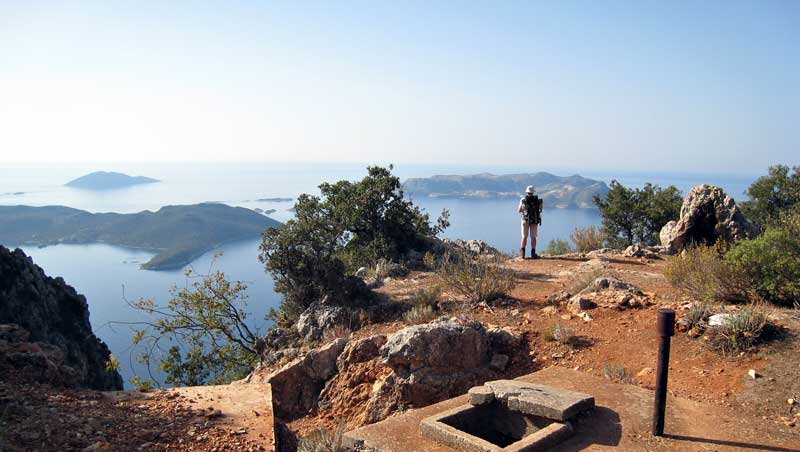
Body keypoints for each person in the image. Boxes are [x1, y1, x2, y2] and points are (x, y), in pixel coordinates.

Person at [518, 185, 543, 259]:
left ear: (527, 192)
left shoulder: (523, 199)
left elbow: (519, 210)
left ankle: (522, 254)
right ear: (533, 192)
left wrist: (525, 210)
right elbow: (540, 209)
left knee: (524, 237)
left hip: (525, 220)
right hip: (534, 220)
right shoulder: (537, 199)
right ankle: (533, 253)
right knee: (533, 237)